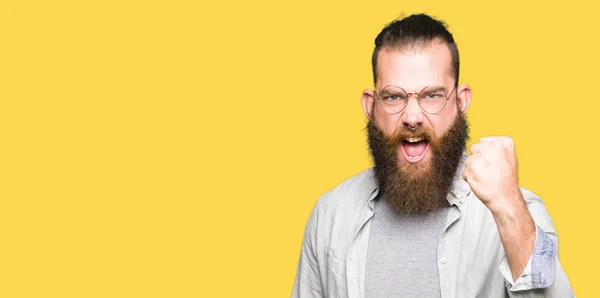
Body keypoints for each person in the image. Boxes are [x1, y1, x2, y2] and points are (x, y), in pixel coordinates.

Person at [292, 13, 574, 298]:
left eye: (432, 96)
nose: (412, 117)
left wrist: (510, 211)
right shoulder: (331, 215)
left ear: (461, 102)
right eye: (393, 97)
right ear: (370, 105)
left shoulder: (518, 211)